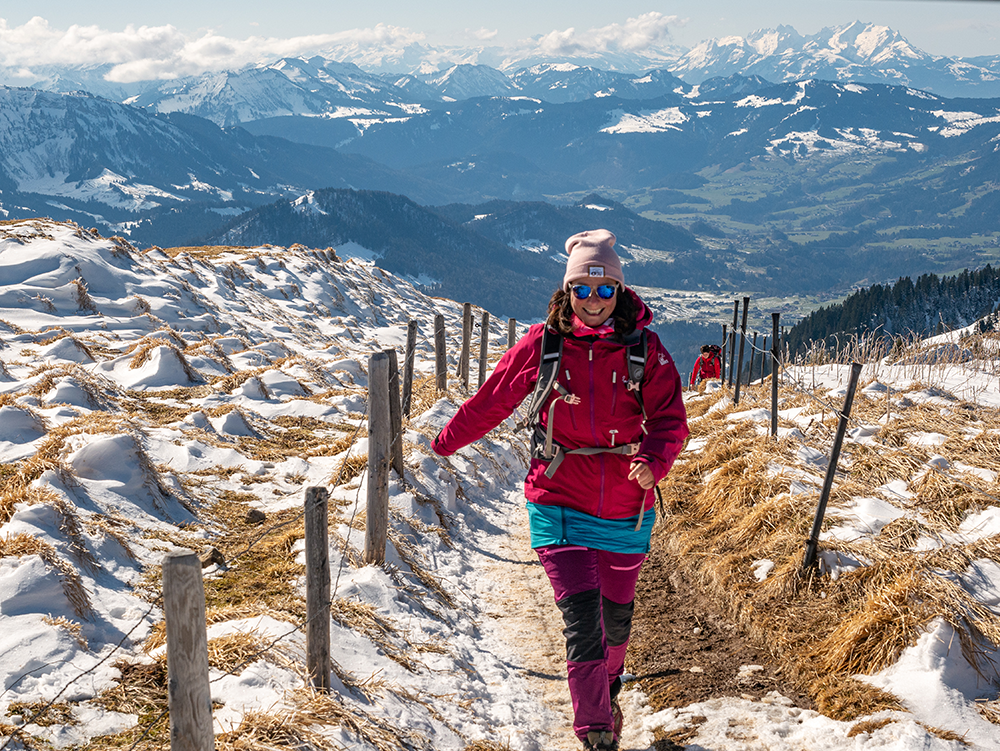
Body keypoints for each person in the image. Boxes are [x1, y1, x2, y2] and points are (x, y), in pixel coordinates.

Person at [432, 229, 688, 751]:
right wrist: (442, 444)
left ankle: (609, 683)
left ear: (619, 291)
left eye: (605, 290)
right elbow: (492, 400)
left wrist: (652, 461)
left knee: (615, 621)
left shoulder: (645, 350)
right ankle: (595, 730)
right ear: (566, 292)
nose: (593, 301)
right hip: (556, 500)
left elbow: (670, 421)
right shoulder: (543, 345)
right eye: (582, 290)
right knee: (582, 622)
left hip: (625, 507)